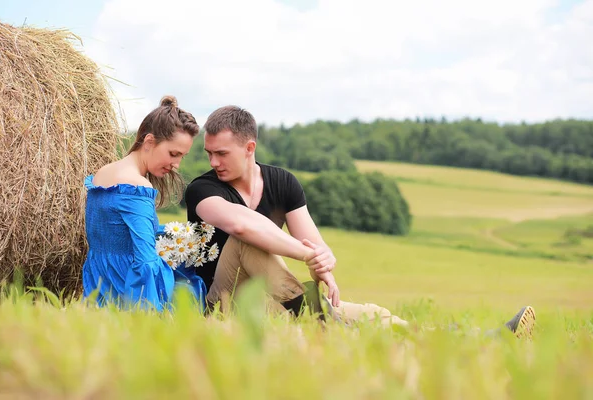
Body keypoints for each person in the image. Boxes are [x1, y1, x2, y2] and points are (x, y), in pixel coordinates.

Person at [184, 105, 536, 337]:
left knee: (370, 315)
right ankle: (318, 316)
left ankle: (486, 340)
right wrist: (307, 255)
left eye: (222, 153)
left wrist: (325, 270)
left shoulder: (283, 182)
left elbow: (313, 243)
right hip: (224, 303)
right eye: (209, 153)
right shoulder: (203, 189)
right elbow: (246, 227)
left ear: (249, 148)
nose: (214, 161)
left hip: (273, 298)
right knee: (249, 239)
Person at [82, 96, 200, 312]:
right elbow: (145, 262)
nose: (176, 165)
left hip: (99, 288)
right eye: (173, 154)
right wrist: (149, 313)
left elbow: (115, 235)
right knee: (194, 288)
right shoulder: (137, 187)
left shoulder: (103, 173)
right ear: (149, 142)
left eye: (182, 156)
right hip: (125, 290)